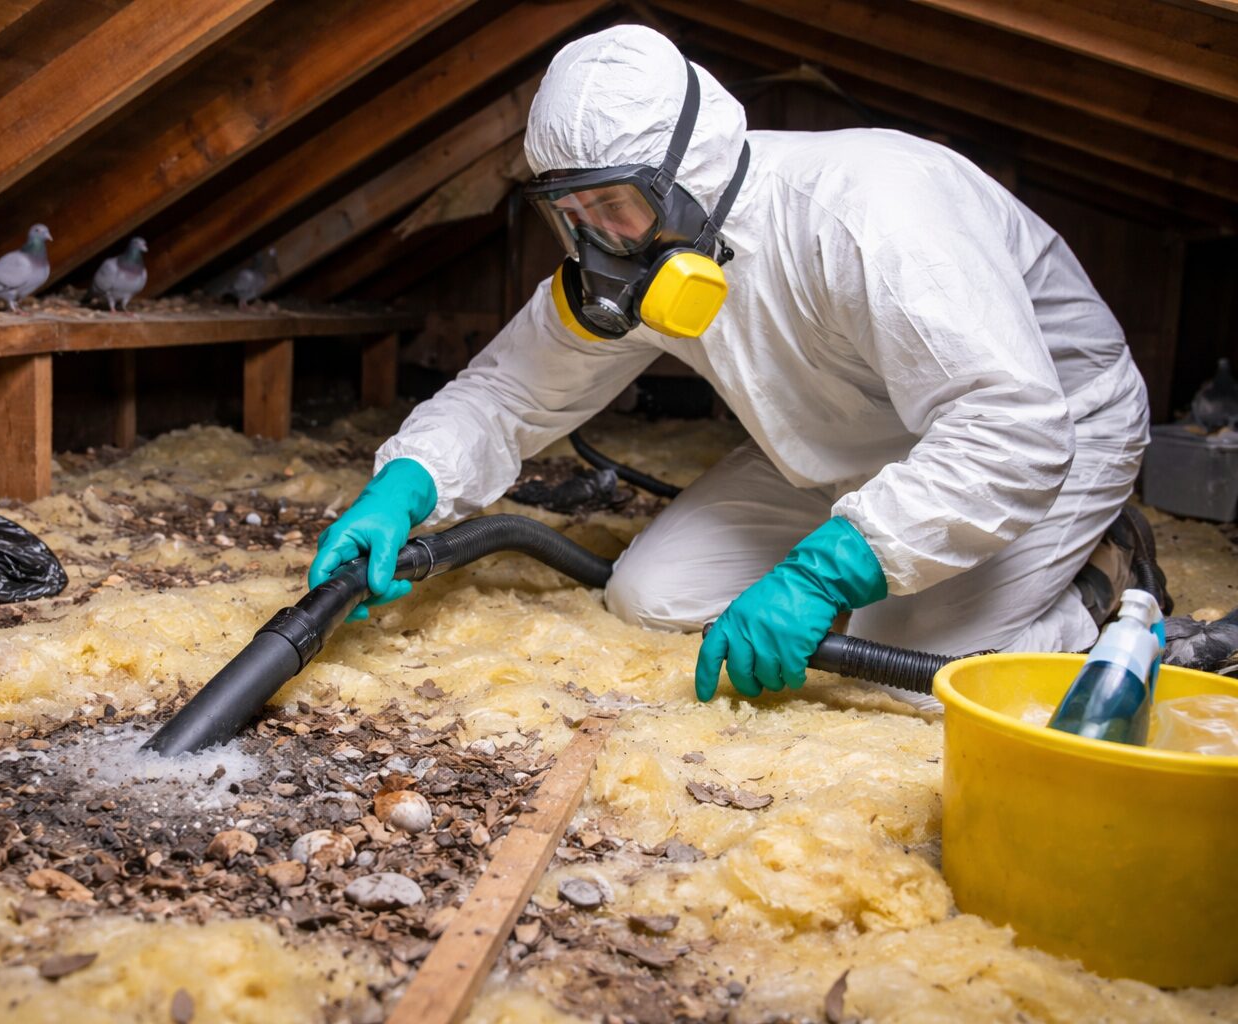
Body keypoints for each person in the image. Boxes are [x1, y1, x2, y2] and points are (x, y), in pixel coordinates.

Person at [308, 25, 1151, 704]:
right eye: (571, 214)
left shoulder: (867, 212)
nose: (596, 240)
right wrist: (406, 485)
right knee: (649, 597)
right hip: (845, 436)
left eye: (613, 206)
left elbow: (1009, 425)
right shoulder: (643, 252)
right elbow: (507, 390)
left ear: (686, 178)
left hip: (1047, 431)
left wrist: (822, 573)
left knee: (906, 671)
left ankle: (1101, 571)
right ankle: (885, 540)